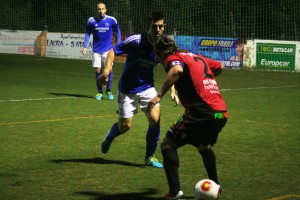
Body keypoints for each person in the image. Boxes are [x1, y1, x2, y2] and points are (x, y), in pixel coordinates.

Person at [148, 35, 228, 199]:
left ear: (161, 53)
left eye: (157, 56)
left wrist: (159, 95)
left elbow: (177, 70)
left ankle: (175, 192)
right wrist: (204, 80)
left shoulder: (173, 58)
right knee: (203, 146)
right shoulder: (196, 56)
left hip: (201, 111)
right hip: (220, 112)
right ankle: (216, 187)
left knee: (167, 144)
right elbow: (220, 66)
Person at [97, 12, 177, 168]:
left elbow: (171, 67)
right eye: (155, 26)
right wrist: (106, 71)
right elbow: (113, 51)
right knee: (125, 127)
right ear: (149, 26)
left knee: (155, 119)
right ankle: (109, 137)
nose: (159, 30)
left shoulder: (162, 46)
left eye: (161, 27)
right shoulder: (136, 41)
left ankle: (149, 157)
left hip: (147, 87)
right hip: (127, 88)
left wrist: (173, 90)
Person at [82, 2, 121, 100]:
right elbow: (87, 33)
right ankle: (99, 92)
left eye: (103, 9)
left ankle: (108, 90)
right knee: (98, 70)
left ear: (106, 10)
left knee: (109, 70)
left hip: (108, 50)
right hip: (96, 50)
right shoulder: (91, 21)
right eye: (99, 9)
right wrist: (85, 46)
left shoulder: (111, 20)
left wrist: (119, 42)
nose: (101, 10)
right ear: (97, 10)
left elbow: (118, 30)